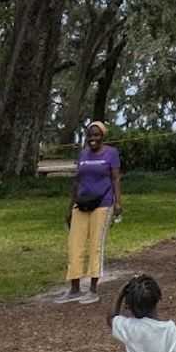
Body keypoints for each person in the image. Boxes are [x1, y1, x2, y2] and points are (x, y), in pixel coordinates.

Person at [58, 120, 122, 304]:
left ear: (102, 136)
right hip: (82, 203)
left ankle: (93, 289)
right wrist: (70, 207)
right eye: (90, 135)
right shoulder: (83, 154)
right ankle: (74, 288)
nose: (93, 138)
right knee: (74, 244)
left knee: (95, 244)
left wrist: (118, 203)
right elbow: (76, 181)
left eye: (96, 135)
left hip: (103, 202)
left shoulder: (111, 153)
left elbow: (116, 179)